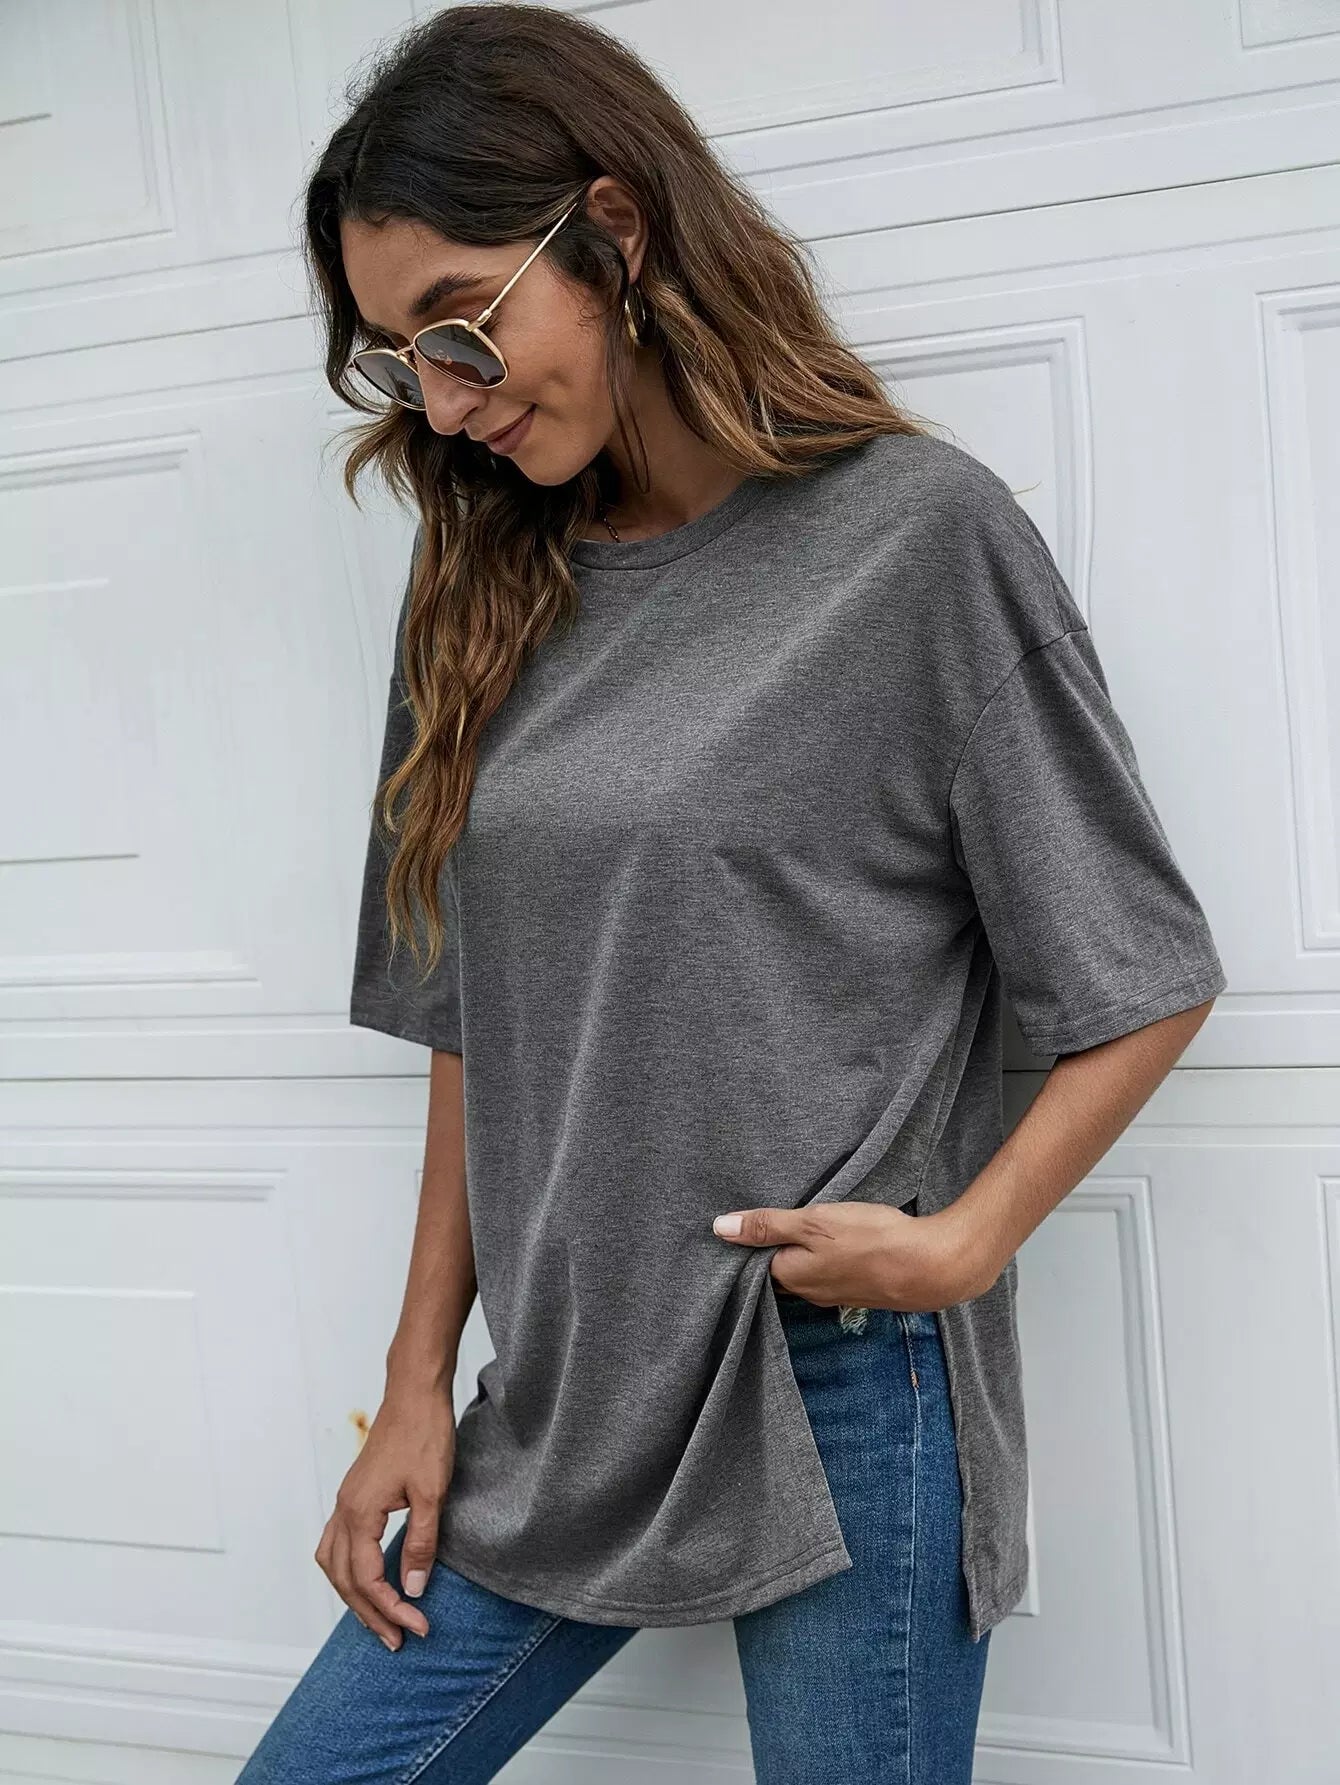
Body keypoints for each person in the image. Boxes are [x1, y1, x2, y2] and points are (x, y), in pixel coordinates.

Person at [238, 6, 1227, 1781]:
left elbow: (1142, 971)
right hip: (564, 1383)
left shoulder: (917, 541)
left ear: (612, 234)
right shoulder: (482, 588)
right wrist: (416, 1384)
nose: (446, 403)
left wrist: (965, 1240)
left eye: (461, 324)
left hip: (831, 1371)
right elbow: (475, 1022)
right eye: (402, 361)